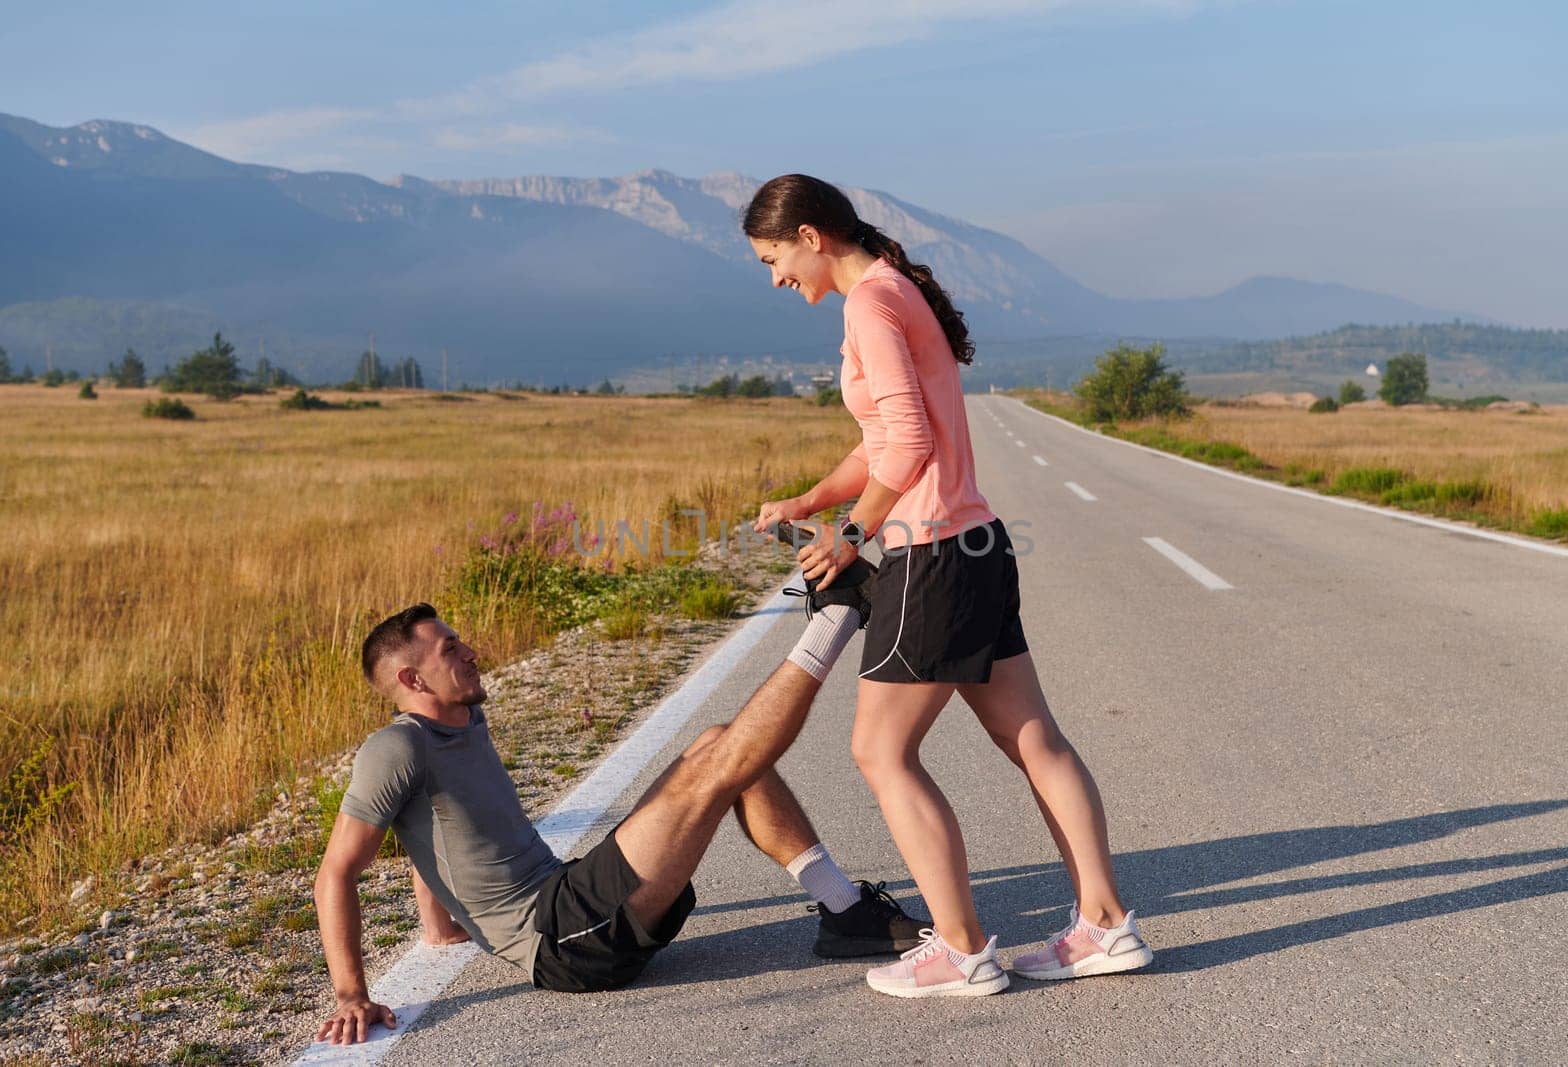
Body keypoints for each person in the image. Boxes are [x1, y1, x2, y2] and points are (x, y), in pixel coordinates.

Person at [746, 173, 1153, 999]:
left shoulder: (871, 304)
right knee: (1034, 738)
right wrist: (811, 499)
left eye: (773, 257)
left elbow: (907, 443)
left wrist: (851, 535)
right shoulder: (893, 291)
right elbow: (882, 437)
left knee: (880, 749)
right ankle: (1106, 926)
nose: (776, 277)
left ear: (812, 237)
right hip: (976, 544)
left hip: (931, 555)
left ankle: (961, 949)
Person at [313, 586, 926, 1045]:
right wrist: (352, 996)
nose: (472, 652)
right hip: (562, 939)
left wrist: (442, 926)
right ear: (411, 677)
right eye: (452, 649)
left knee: (717, 743)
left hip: (570, 895)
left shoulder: (463, 720)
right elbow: (337, 872)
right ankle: (840, 616)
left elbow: (434, 823)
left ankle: (844, 911)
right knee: (726, 762)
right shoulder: (395, 747)